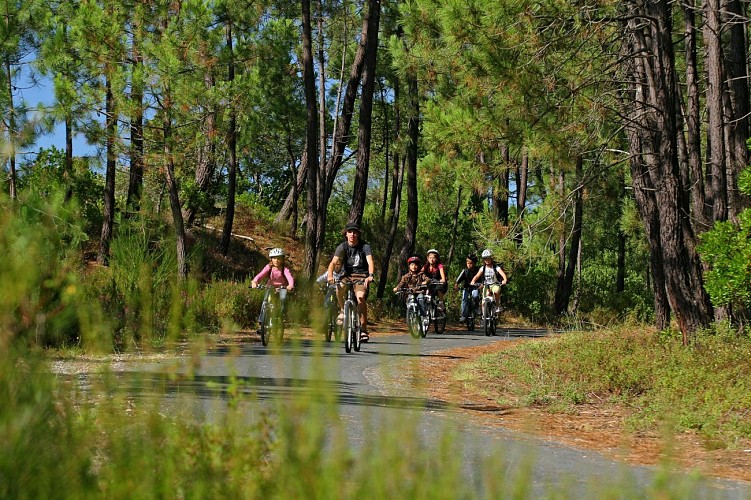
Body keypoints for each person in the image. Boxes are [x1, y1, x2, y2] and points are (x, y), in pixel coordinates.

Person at [327, 223, 375, 342]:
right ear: (346, 234)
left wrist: (370, 276)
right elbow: (333, 263)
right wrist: (329, 276)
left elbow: (370, 262)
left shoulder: (365, 246)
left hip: (361, 275)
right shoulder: (342, 246)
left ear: (358, 234)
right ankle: (343, 310)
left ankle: (363, 330)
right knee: (340, 287)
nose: (352, 234)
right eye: (350, 232)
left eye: (354, 232)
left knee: (361, 297)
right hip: (347, 275)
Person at [251, 247, 295, 318]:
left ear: (282, 259)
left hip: (282, 288)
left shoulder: (285, 269)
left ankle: (282, 316)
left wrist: (290, 285)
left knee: (283, 299)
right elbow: (261, 275)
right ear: (271, 259)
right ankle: (261, 321)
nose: (276, 260)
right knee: (265, 302)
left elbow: (290, 278)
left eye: (279, 258)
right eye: (274, 258)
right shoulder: (269, 267)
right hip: (270, 287)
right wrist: (255, 281)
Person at [470, 249, 507, 314]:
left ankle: (497, 306)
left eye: (488, 258)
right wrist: (473, 281)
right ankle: (484, 317)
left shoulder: (496, 267)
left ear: (491, 258)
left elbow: (503, 275)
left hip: (494, 284)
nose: (487, 260)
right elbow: (477, 276)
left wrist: (504, 280)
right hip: (486, 285)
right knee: (484, 300)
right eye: (485, 258)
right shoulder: (483, 268)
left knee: (496, 291)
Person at [454, 254, 480, 322]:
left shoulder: (478, 270)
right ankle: (464, 315)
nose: (469, 265)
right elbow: (458, 279)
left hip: (475, 287)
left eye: (471, 263)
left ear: (474, 263)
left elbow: (482, 278)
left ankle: (477, 307)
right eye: (467, 263)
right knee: (464, 300)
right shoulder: (465, 271)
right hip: (466, 288)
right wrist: (456, 285)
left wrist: (481, 285)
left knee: (475, 296)